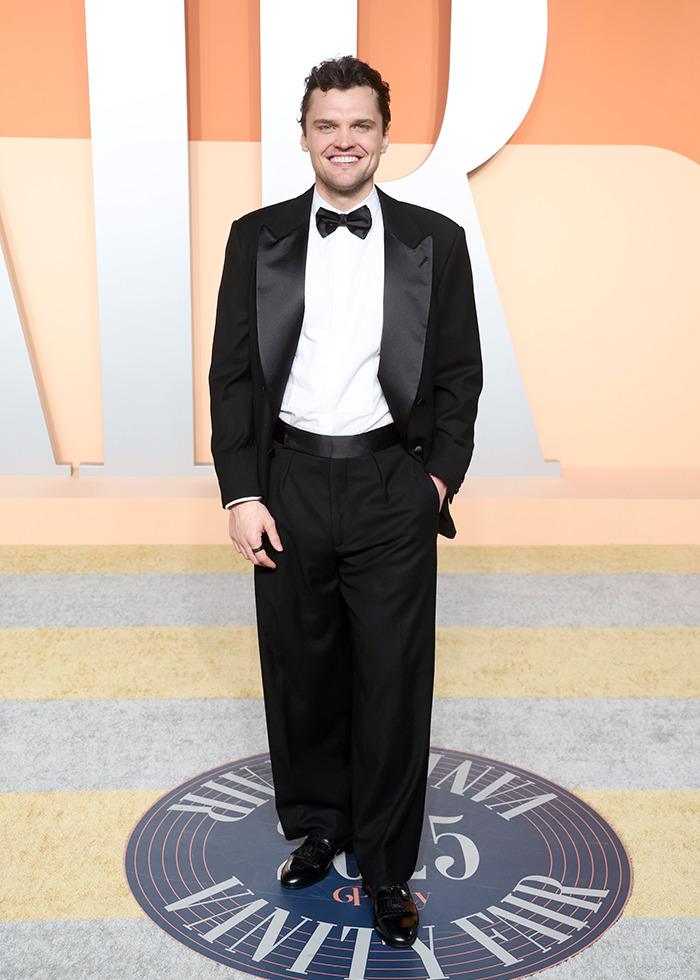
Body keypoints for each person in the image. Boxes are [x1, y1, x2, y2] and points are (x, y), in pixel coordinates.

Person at [209, 55, 482, 948]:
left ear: (383, 134)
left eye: (360, 123)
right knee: (303, 669)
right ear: (304, 135)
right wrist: (241, 491)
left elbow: (456, 378)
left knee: (394, 679)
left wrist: (434, 481)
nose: (344, 139)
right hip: (286, 480)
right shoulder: (256, 238)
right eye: (327, 124)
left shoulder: (434, 241)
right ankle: (321, 826)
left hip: (388, 486)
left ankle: (391, 867)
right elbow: (233, 375)